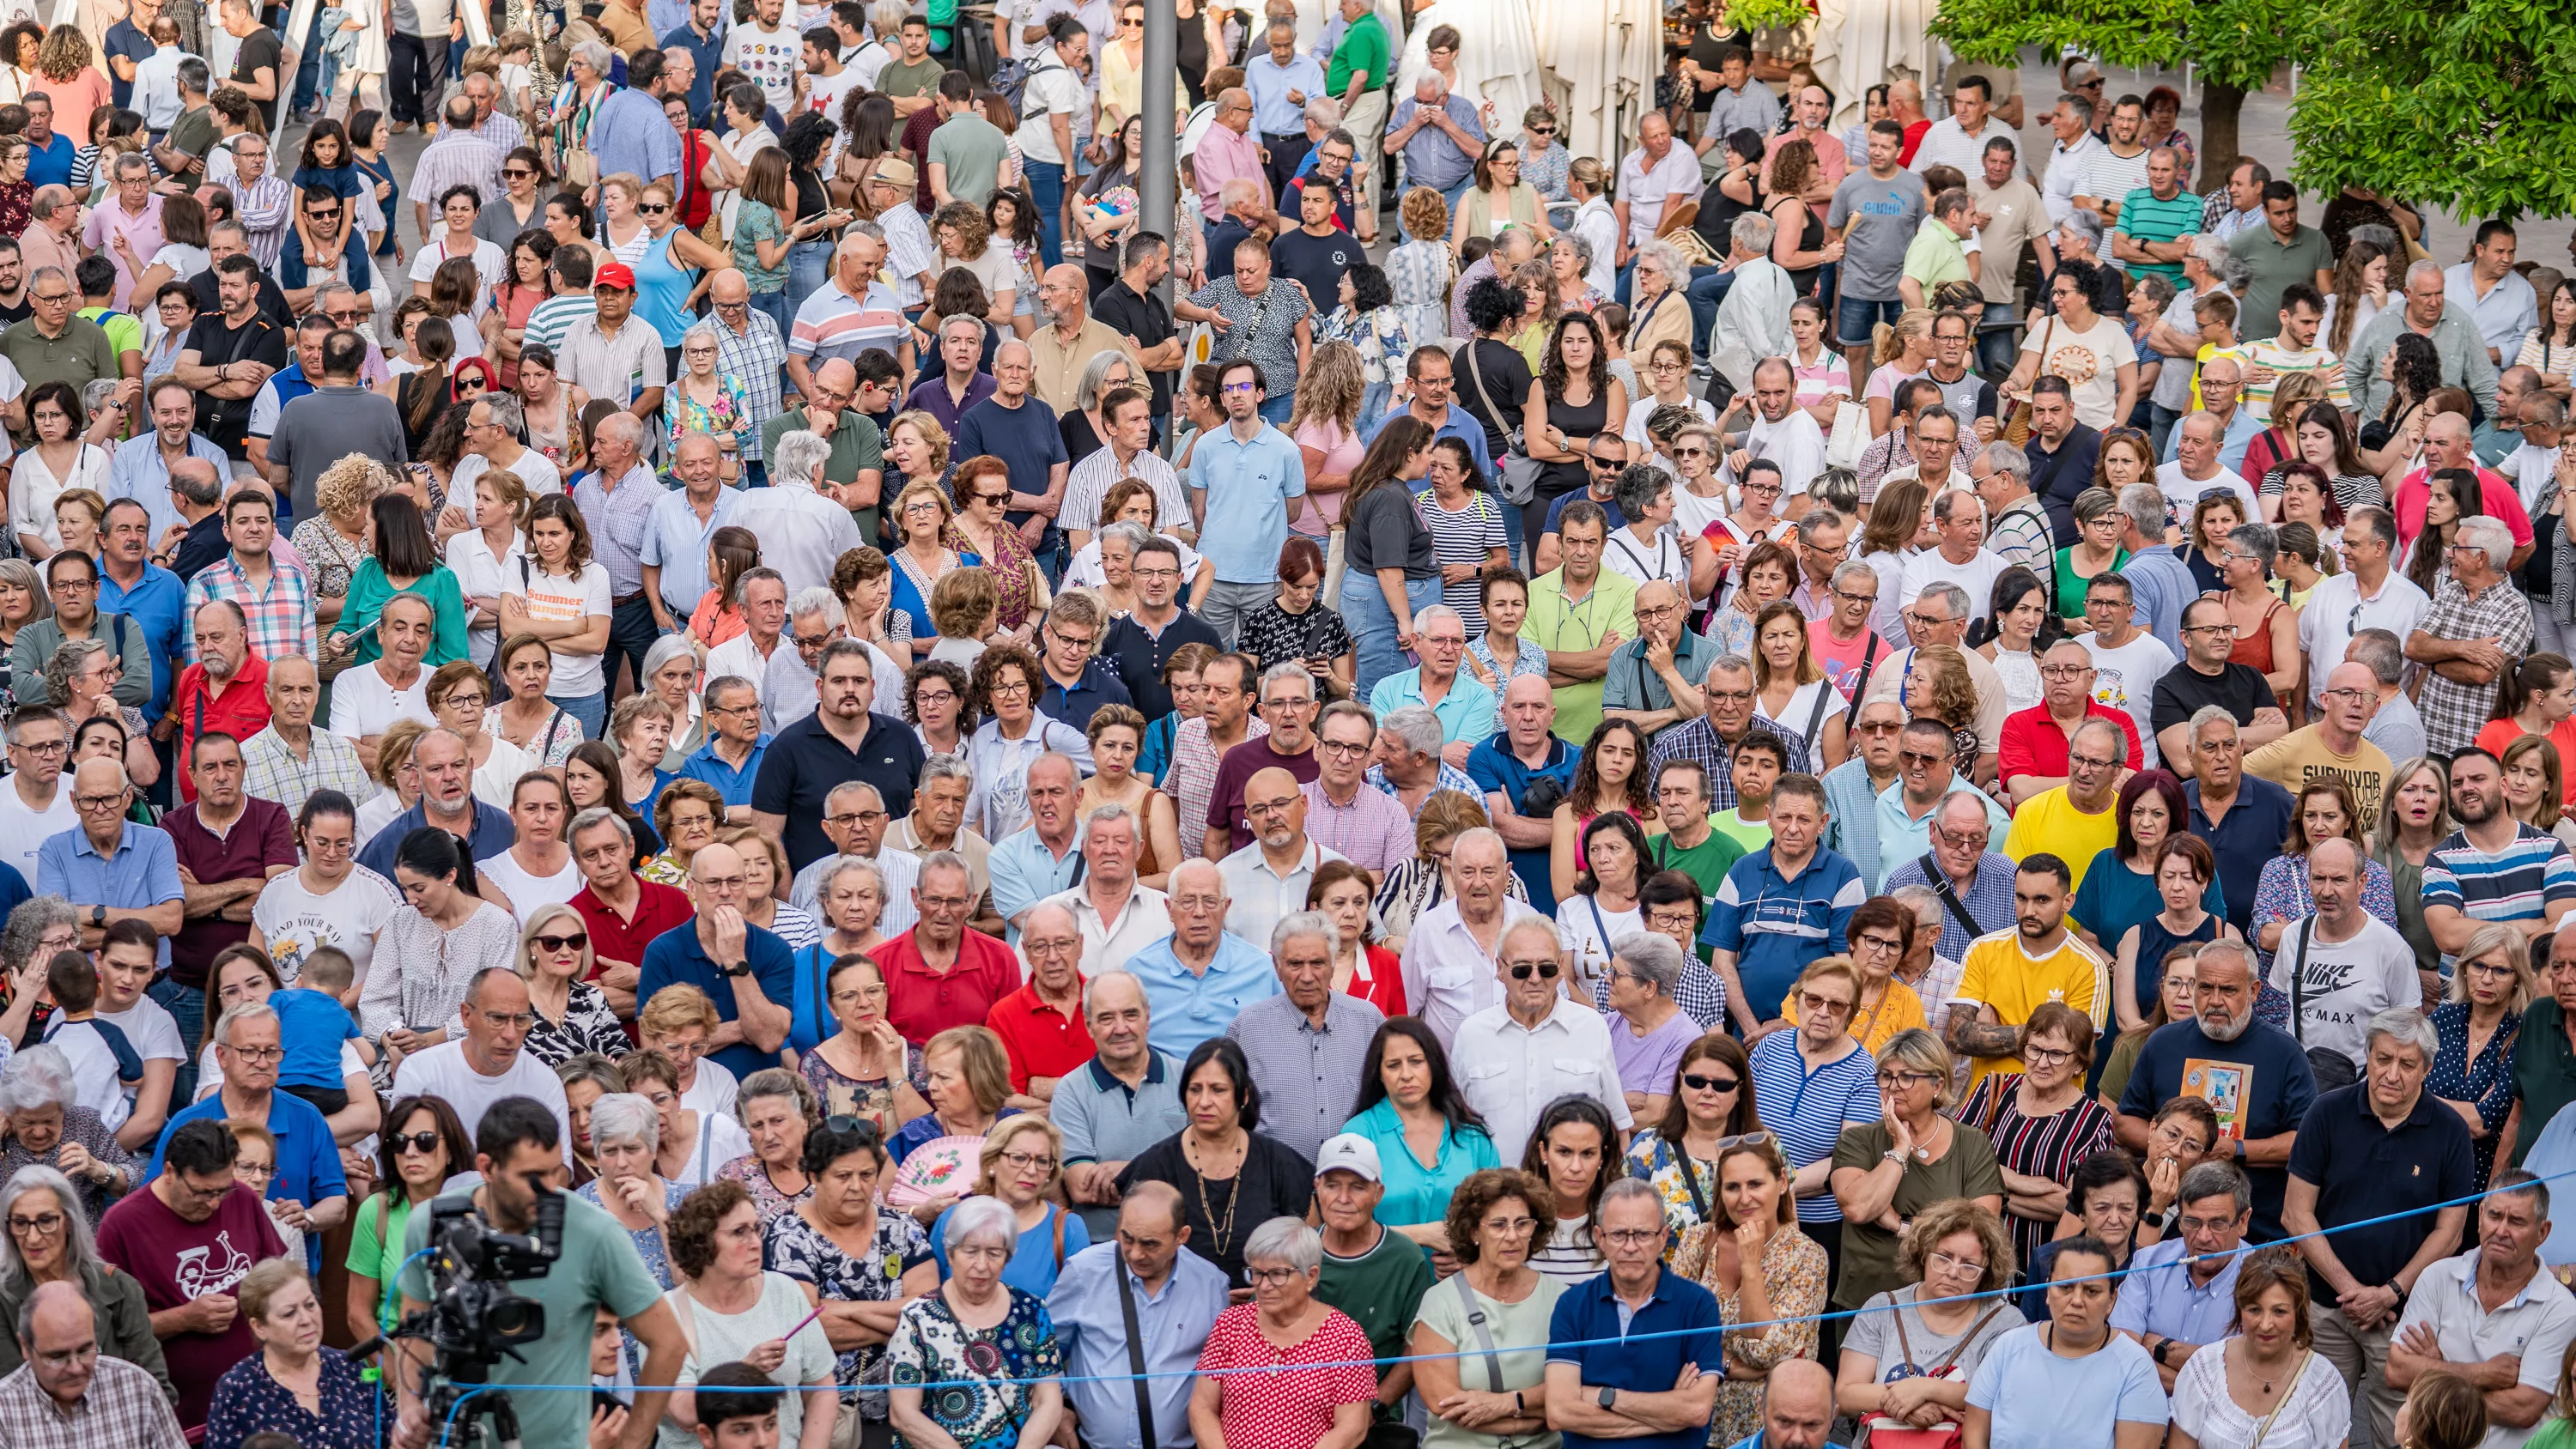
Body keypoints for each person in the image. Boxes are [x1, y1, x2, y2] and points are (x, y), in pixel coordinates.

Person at [2283, 1008, 2478, 1449]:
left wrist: (2390, 1292)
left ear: (2427, 1069)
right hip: (2326, 1307)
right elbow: (2296, 1214)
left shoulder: (2450, 1130)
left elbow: (2450, 1232)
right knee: (2309, 1428)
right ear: (2367, 1056)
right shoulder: (2326, 1112)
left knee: (2400, 1433)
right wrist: (2352, 1291)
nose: (2392, 1074)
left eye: (2407, 1064)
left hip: (2404, 1315)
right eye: (2382, 1059)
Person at [1536, 1175, 1723, 1449]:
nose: (1631, 1247)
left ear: (1663, 1238)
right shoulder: (1572, 1305)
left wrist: (1605, 1396)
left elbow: (1695, 1411)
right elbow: (1560, 1413)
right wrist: (1669, 1413)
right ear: (1600, 1238)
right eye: (1619, 1234)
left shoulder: (1698, 1305)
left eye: (1643, 1234)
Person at [1829, 1028, 2008, 1311]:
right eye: (1886, 1076)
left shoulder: (1971, 1143)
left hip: (1944, 1301)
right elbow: (1858, 1209)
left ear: (1937, 1084)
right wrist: (1900, 1148)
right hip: (1866, 1301)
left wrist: (1900, 1227)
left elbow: (1979, 1232)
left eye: (1907, 1076)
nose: (1893, 1086)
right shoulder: (1858, 1140)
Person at [1668, 1131, 1829, 1444]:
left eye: (1756, 1184)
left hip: (1765, 1431)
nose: (1744, 1198)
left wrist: (1751, 1264)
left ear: (1782, 1182)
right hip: (1694, 1420)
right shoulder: (1698, 1241)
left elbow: (1765, 1350)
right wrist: (1731, 1365)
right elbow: (1673, 1333)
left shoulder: (1808, 1257)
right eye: (1732, 1187)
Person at [1961, 1233, 2172, 1449]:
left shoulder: (2135, 1367)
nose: (2077, 1301)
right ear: (2048, 1291)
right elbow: (1974, 1435)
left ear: (2111, 1300)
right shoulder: (2009, 1347)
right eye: (2065, 1288)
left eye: (2091, 1291)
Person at [1835, 1198, 2022, 1430]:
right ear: (1924, 1254)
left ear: (1986, 1272)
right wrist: (1906, 1402)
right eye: (1943, 1258)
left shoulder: (2006, 1321)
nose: (1953, 1272)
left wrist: (1927, 1390)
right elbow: (1845, 1395)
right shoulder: (1882, 1307)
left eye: (1969, 1265)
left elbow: (2006, 1398)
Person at [200, 1256, 375, 1449]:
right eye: (289, 1314)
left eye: (310, 1305)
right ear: (259, 1327)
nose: (306, 1319)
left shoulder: (350, 1366)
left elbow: (391, 1436)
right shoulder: (237, 1389)